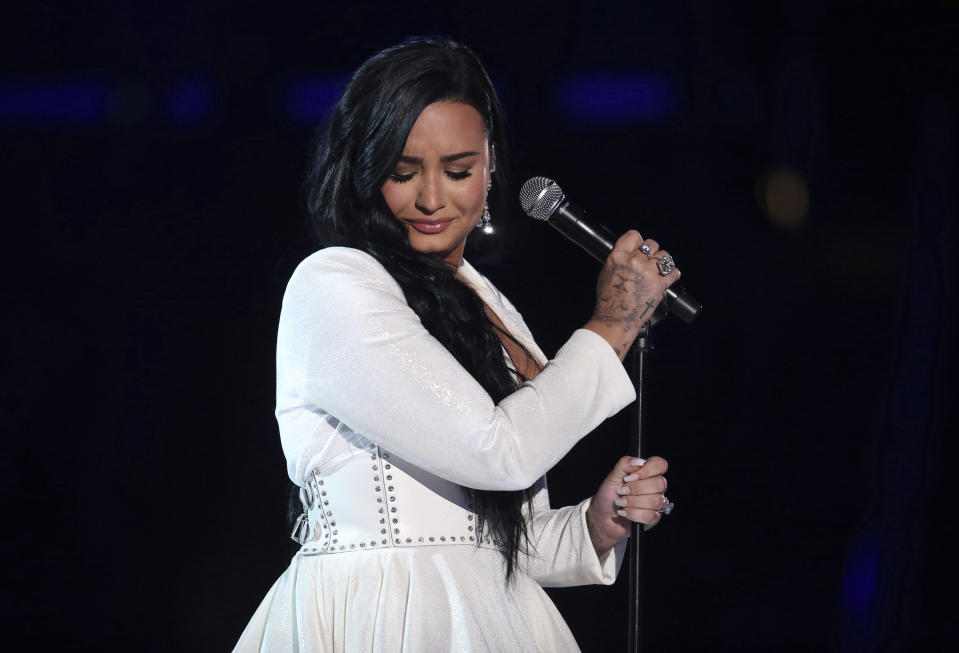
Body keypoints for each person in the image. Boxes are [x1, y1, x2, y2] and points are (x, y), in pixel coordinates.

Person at [234, 37, 680, 653]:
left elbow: (498, 540)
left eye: (459, 170)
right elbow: (497, 450)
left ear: (492, 166)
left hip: (493, 618)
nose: (432, 199)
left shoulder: (488, 305)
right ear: (365, 171)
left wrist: (593, 527)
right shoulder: (335, 286)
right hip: (382, 612)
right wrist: (613, 324)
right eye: (402, 172)